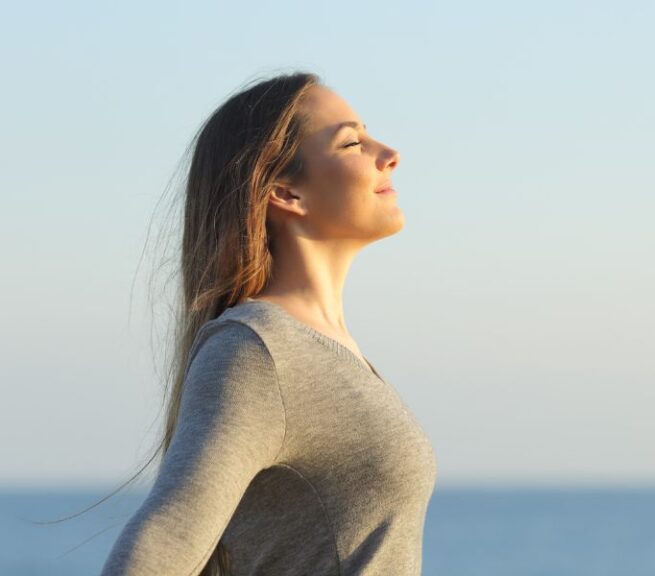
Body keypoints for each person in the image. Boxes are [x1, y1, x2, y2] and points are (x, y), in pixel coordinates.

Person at [99, 71, 438, 576]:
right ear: (284, 192)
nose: (389, 153)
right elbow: (159, 546)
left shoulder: (321, 348)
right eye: (352, 143)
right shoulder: (256, 350)